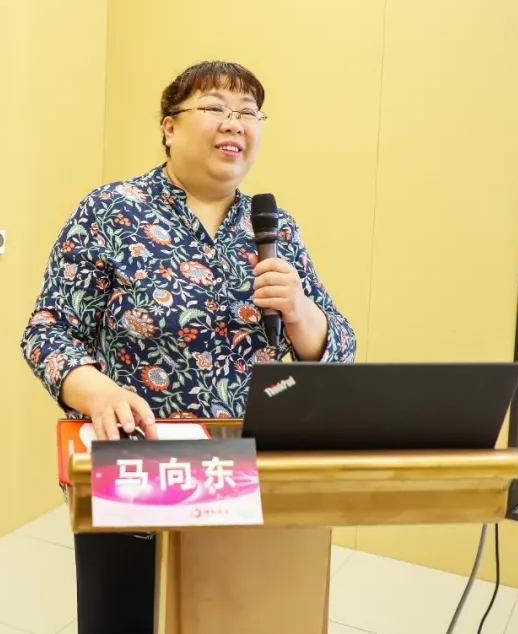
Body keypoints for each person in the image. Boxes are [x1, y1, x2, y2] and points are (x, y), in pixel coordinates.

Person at [20, 60, 356, 634]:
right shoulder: (111, 210)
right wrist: (98, 391)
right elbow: (47, 330)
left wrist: (302, 314)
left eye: (249, 113)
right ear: (169, 127)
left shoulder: (274, 227)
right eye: (216, 107)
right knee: (128, 618)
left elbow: (339, 350)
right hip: (142, 465)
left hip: (248, 472)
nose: (235, 123)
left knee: (237, 619)